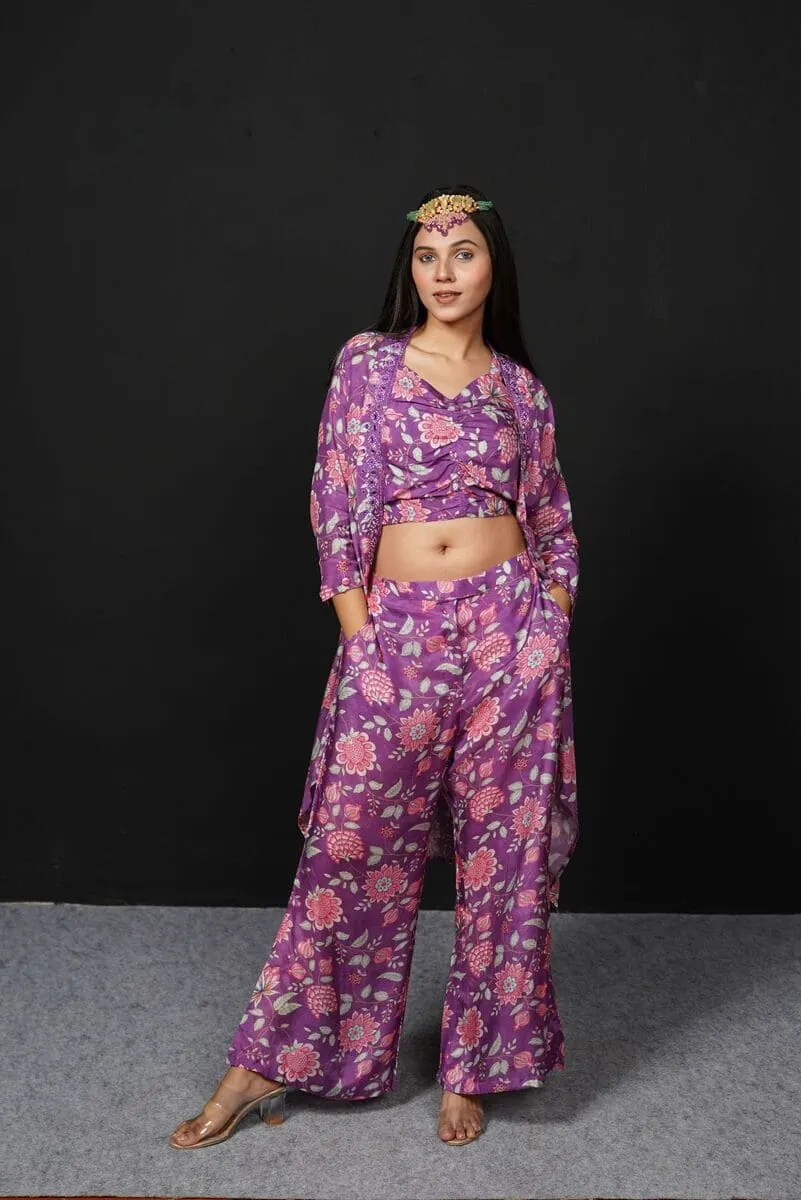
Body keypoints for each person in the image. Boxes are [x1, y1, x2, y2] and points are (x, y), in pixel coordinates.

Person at [169, 185, 580, 1151]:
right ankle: (272, 1060)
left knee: (504, 856)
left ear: (494, 266)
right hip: (394, 630)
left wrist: (548, 624)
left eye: (463, 253)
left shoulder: (520, 391)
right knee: (351, 845)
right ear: (410, 271)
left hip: (508, 630)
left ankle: (474, 1065)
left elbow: (554, 521)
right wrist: (360, 636)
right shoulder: (368, 365)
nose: (443, 273)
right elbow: (334, 497)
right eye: (426, 256)